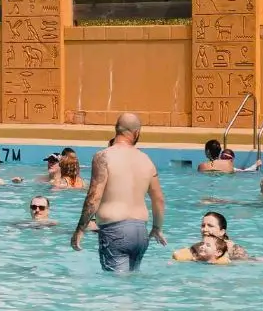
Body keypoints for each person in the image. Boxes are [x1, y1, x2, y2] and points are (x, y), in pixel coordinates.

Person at [71, 111, 167, 274]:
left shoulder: (103, 156)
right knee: (132, 284)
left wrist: (80, 229)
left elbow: (94, 196)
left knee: (116, 290)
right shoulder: (146, 160)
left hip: (115, 231)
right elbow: (158, 199)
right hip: (141, 232)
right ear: (136, 133)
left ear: (116, 130)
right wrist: (157, 228)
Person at [172, 211, 249, 264]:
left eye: (210, 226)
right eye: (203, 225)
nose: (205, 229)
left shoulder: (233, 249)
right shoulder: (198, 247)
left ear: (222, 231)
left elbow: (245, 263)